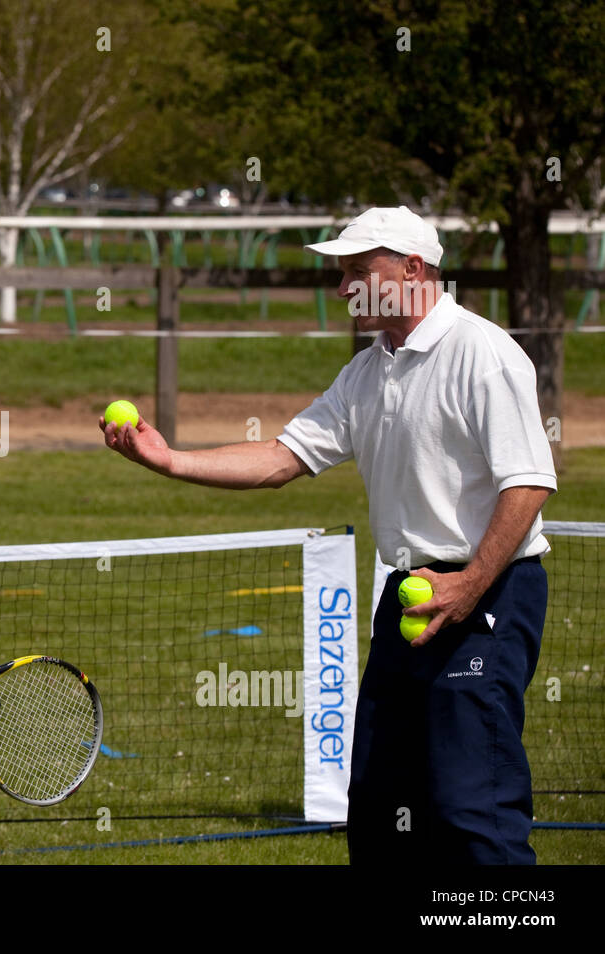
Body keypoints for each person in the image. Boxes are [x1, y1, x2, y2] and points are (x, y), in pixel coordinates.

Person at [101, 207, 556, 864]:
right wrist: (170, 460)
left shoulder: (483, 354)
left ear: (412, 268)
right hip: (409, 596)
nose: (342, 288)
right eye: (339, 273)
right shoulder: (367, 372)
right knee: (378, 803)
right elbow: (282, 457)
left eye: (354, 270)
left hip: (490, 593)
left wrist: (467, 587)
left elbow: (529, 484)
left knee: (469, 805)